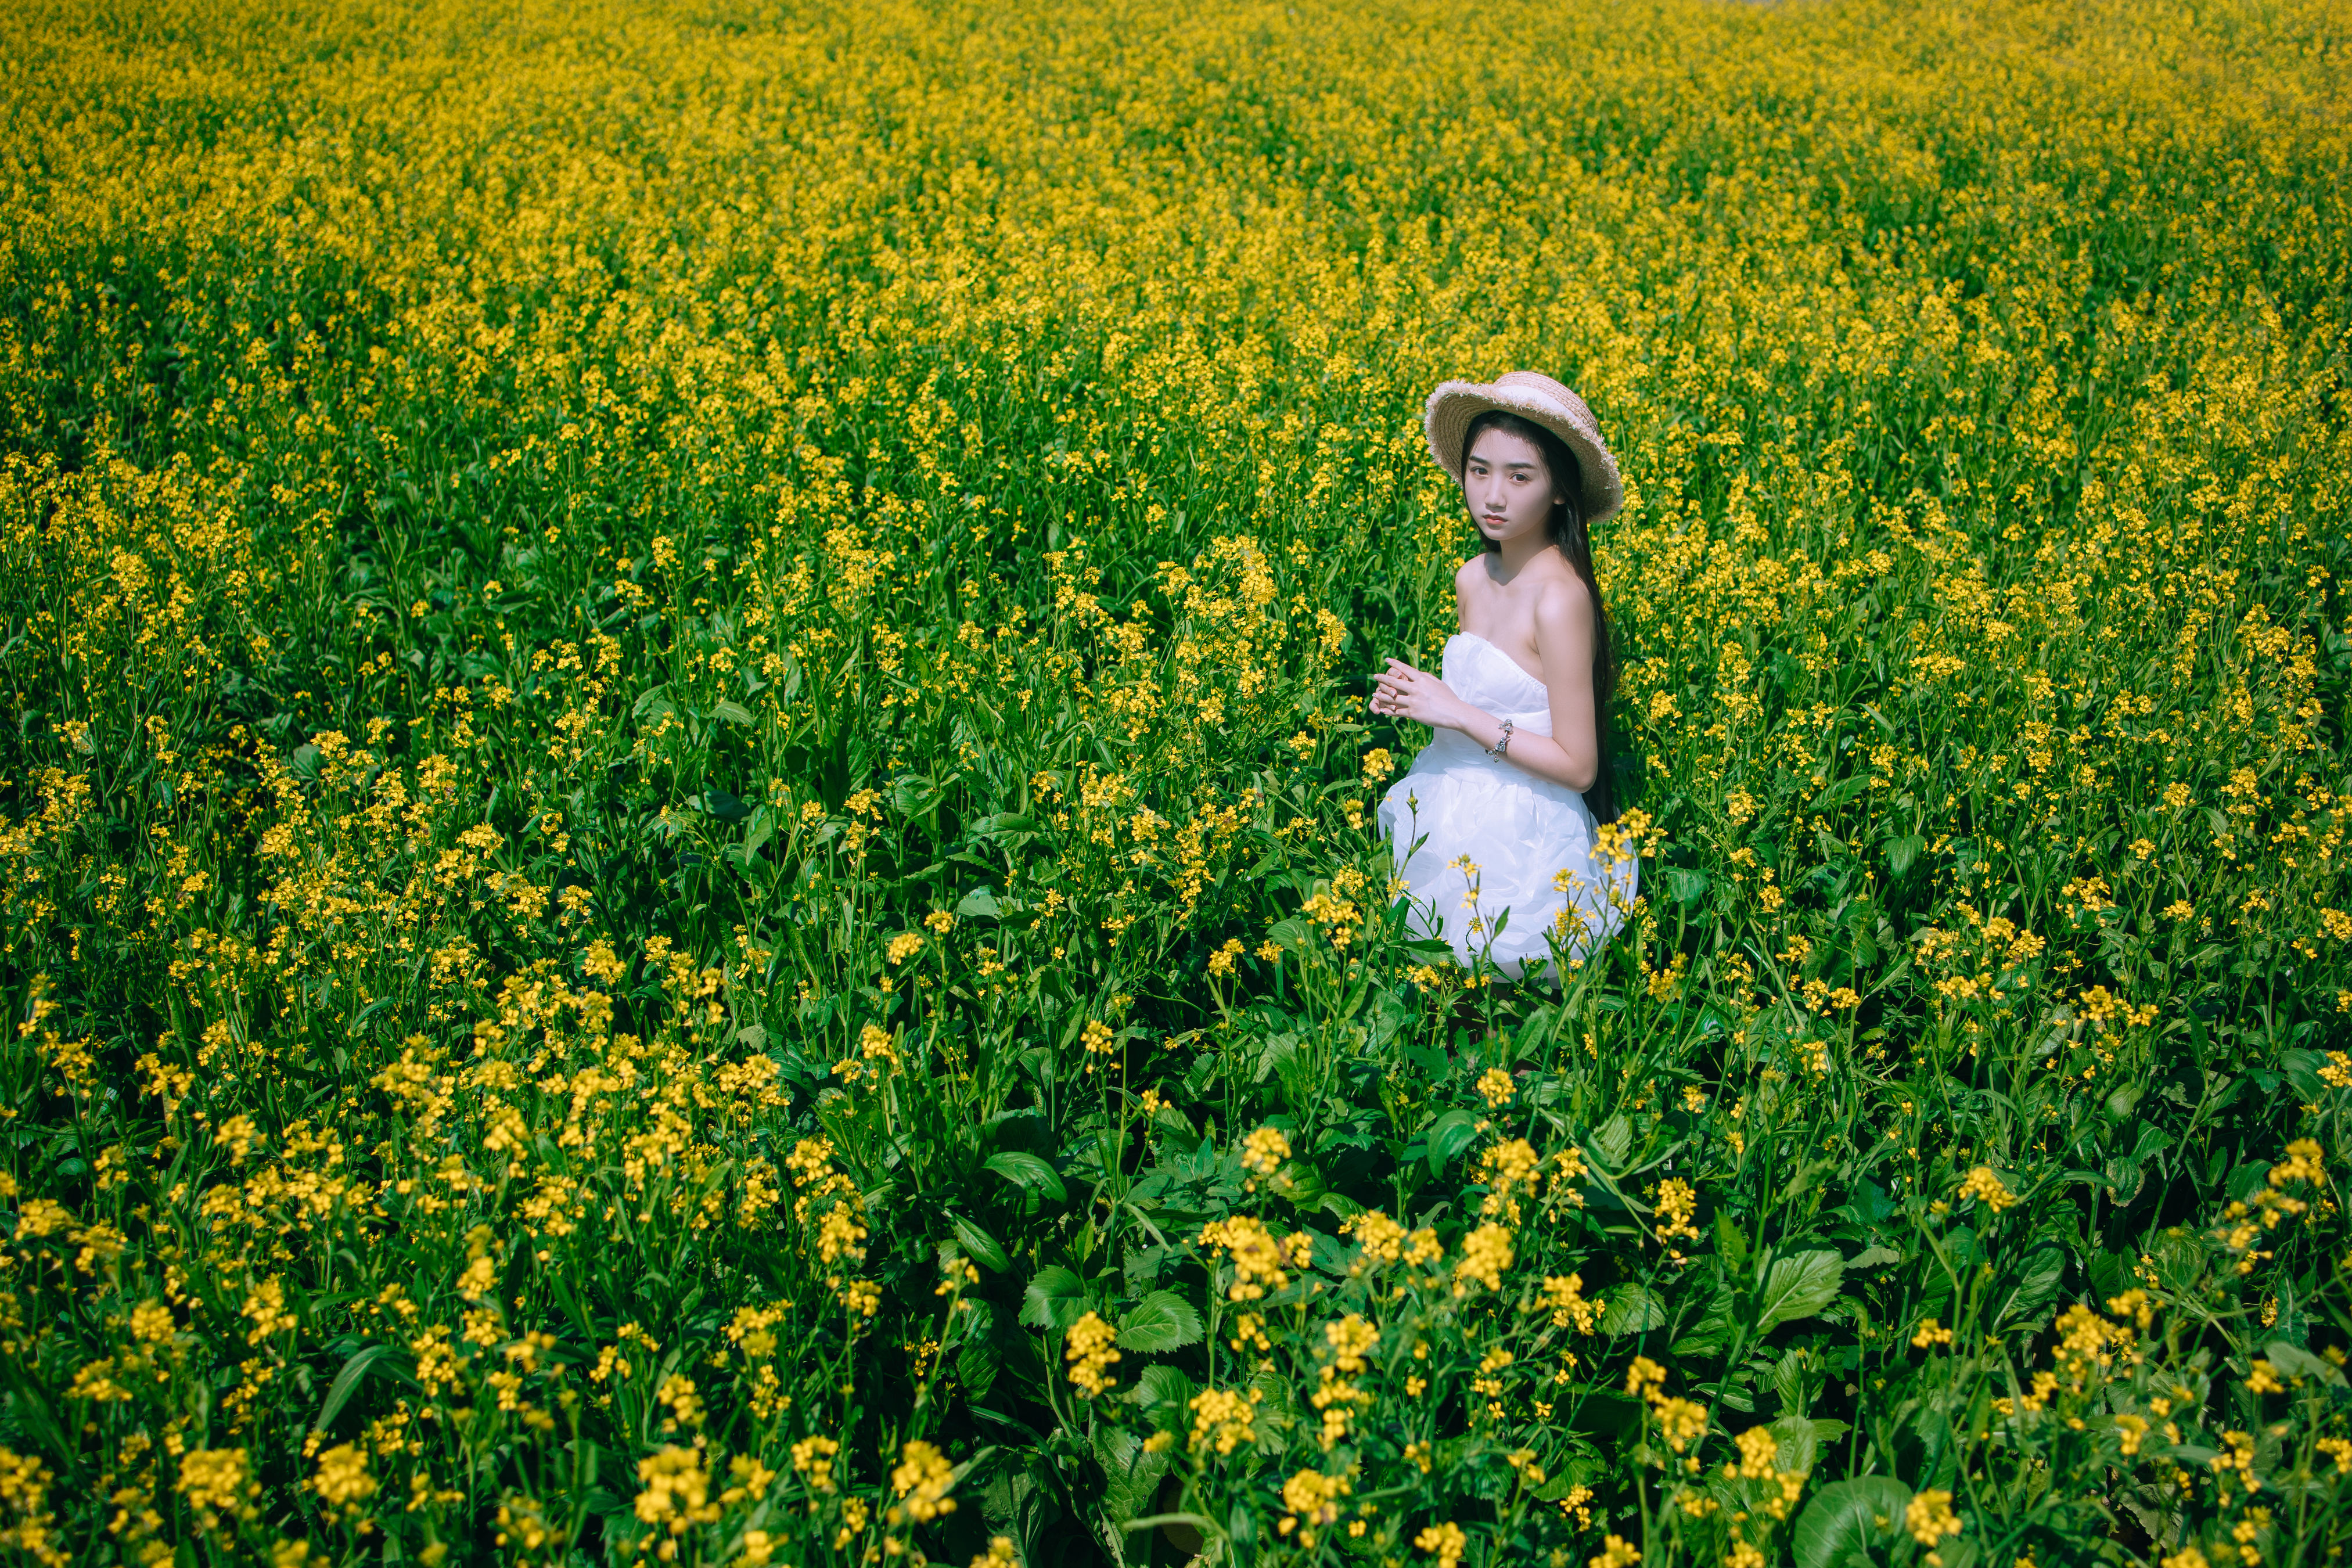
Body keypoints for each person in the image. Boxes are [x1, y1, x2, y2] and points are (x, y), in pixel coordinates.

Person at [1369, 370, 1637, 981]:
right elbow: (1483, 699)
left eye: (1521, 477)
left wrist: (1457, 712)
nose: (1493, 496)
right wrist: (1416, 700)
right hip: (1444, 808)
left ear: (1561, 491)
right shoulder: (1471, 577)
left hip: (1528, 840)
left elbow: (1579, 766)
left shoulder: (1560, 600)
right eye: (1479, 470)